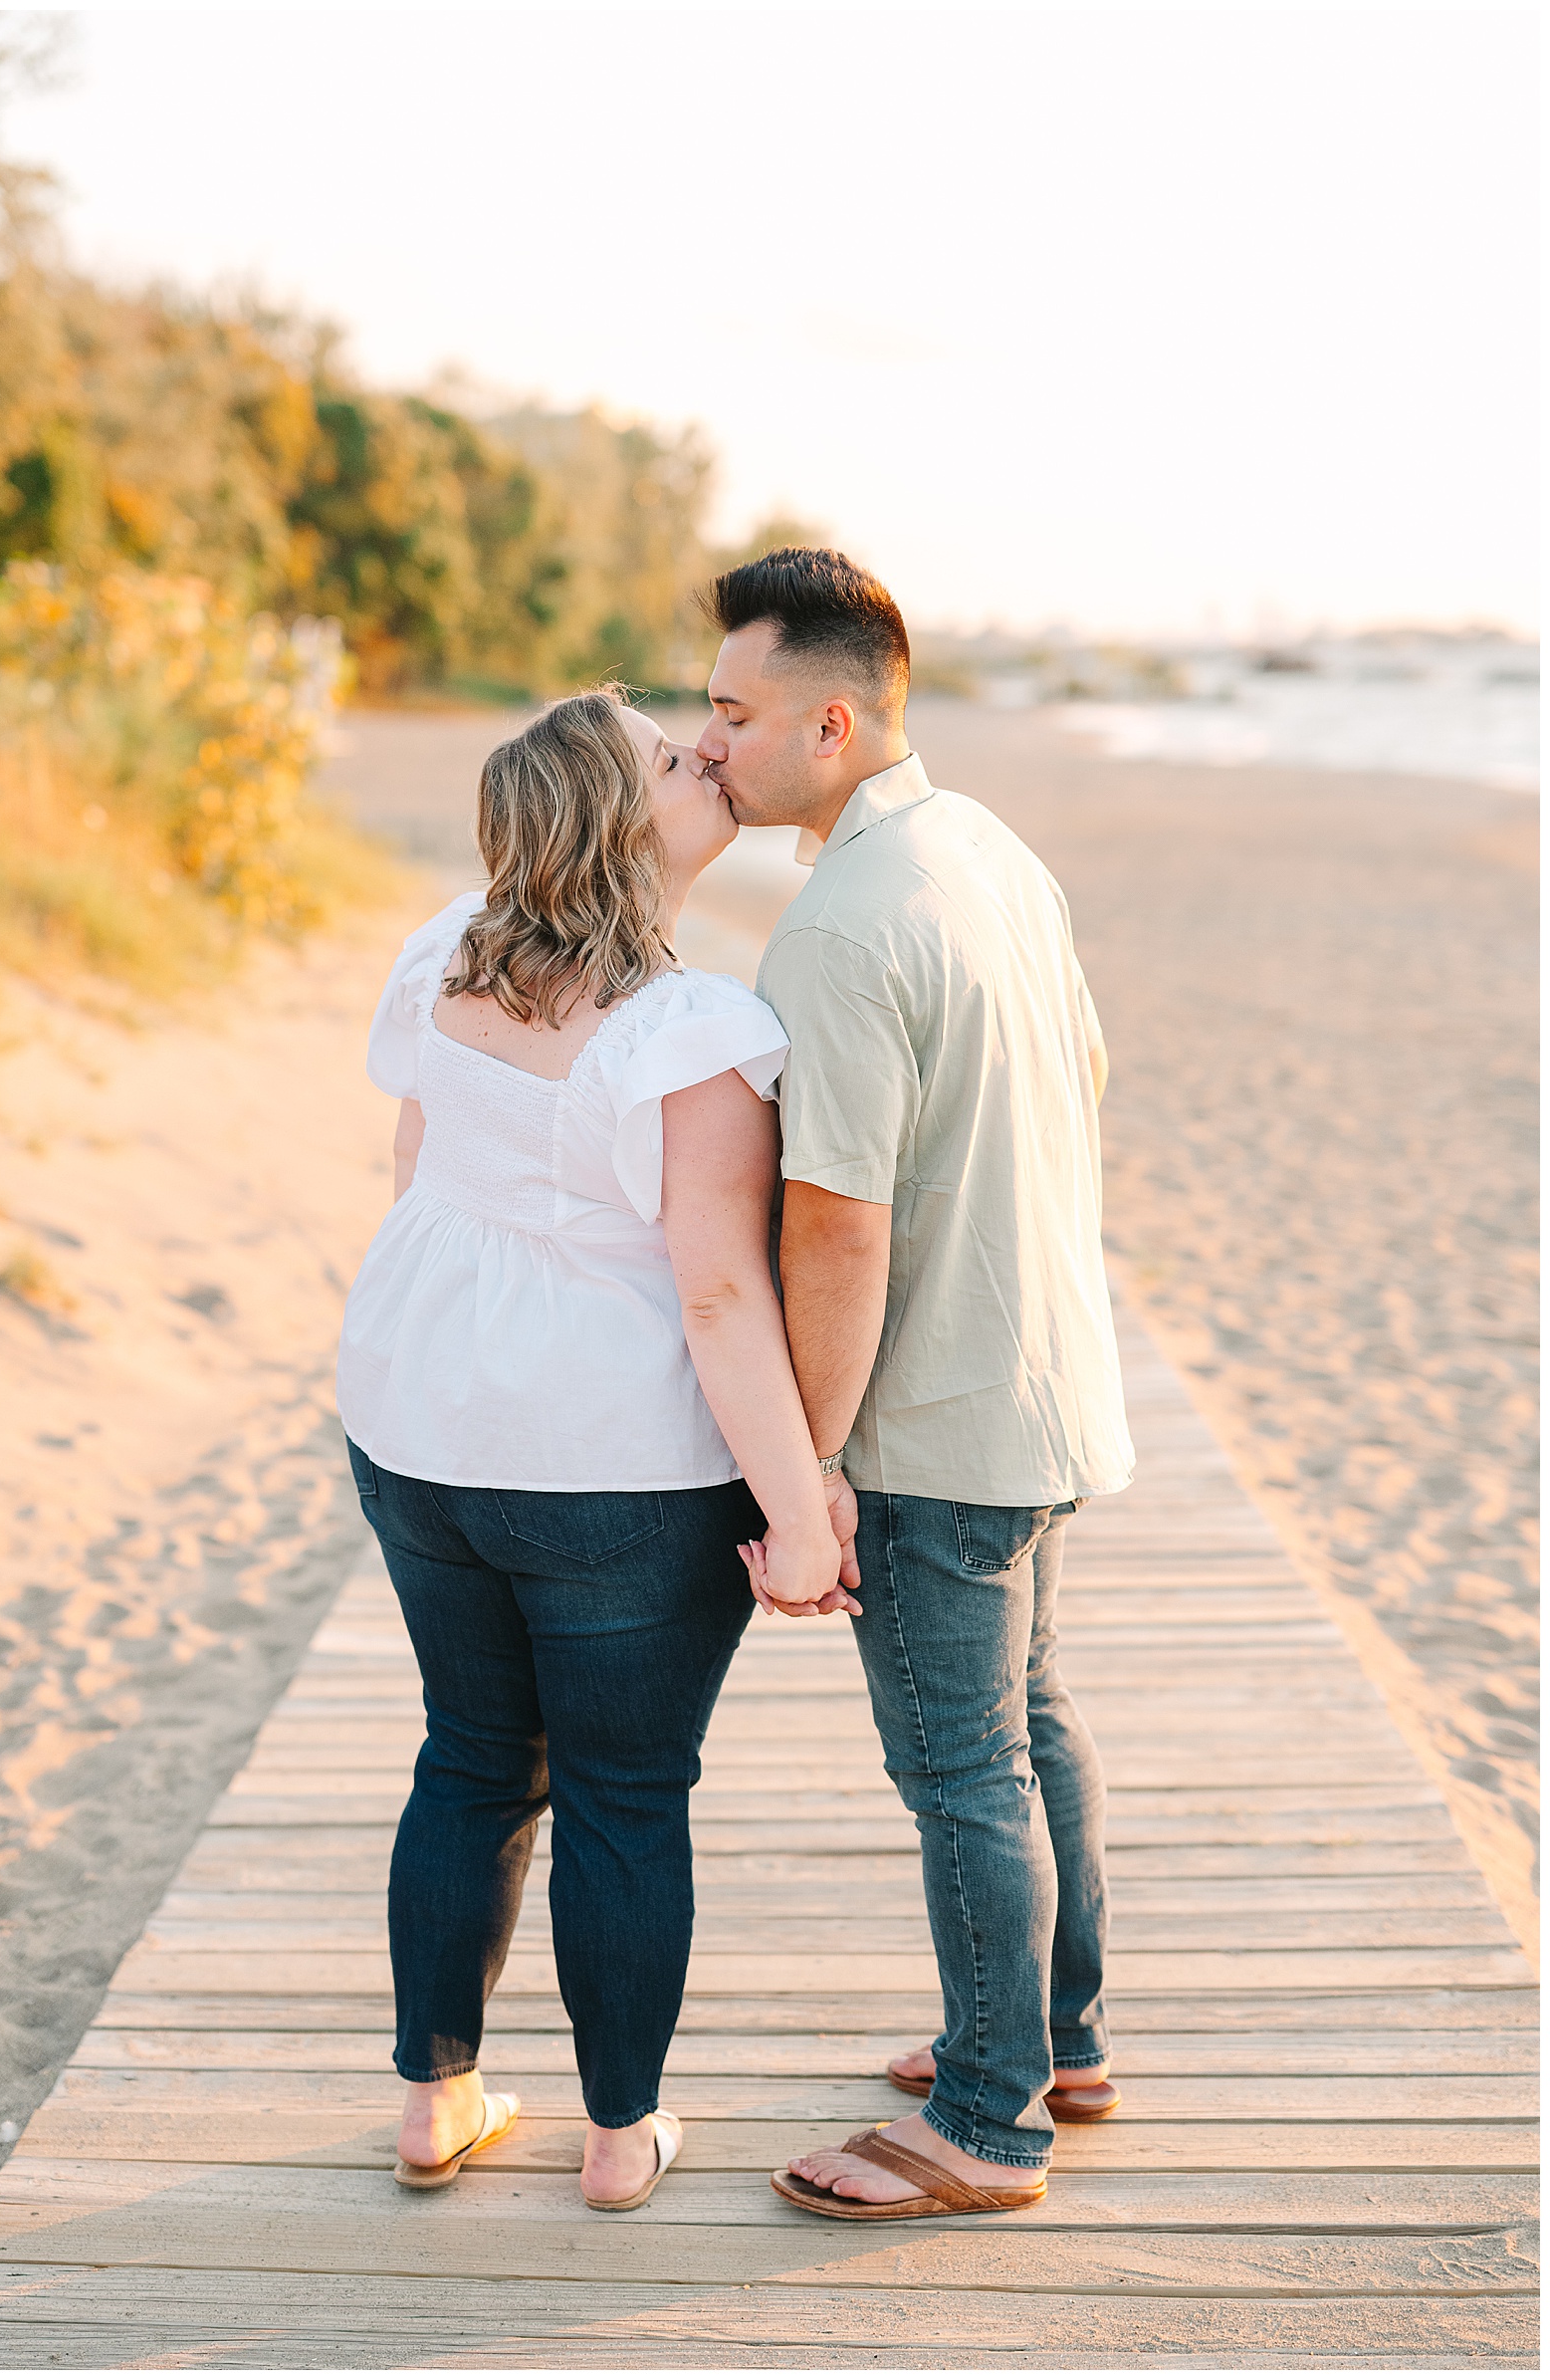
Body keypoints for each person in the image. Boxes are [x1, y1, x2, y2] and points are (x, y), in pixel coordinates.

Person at [335, 688, 857, 2213]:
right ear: (614, 825)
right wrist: (801, 1515)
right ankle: (621, 2139)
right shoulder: (691, 1030)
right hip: (611, 1462)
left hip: (418, 1418)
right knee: (626, 1792)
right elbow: (715, 1289)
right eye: (666, 755)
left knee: (473, 1757)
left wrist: (449, 1343)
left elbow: (417, 1156)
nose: (702, 755)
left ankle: (437, 2103)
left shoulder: (446, 948)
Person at [698, 550, 1136, 2221]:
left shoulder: (837, 929)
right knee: (1031, 1727)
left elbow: (837, 1235)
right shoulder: (993, 853)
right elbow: (1085, 1073)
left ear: (831, 719)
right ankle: (1059, 2039)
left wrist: (800, 1472)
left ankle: (986, 2119)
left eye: (733, 713)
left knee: (962, 1764)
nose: (711, 740)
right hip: (1048, 1382)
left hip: (942, 1420)